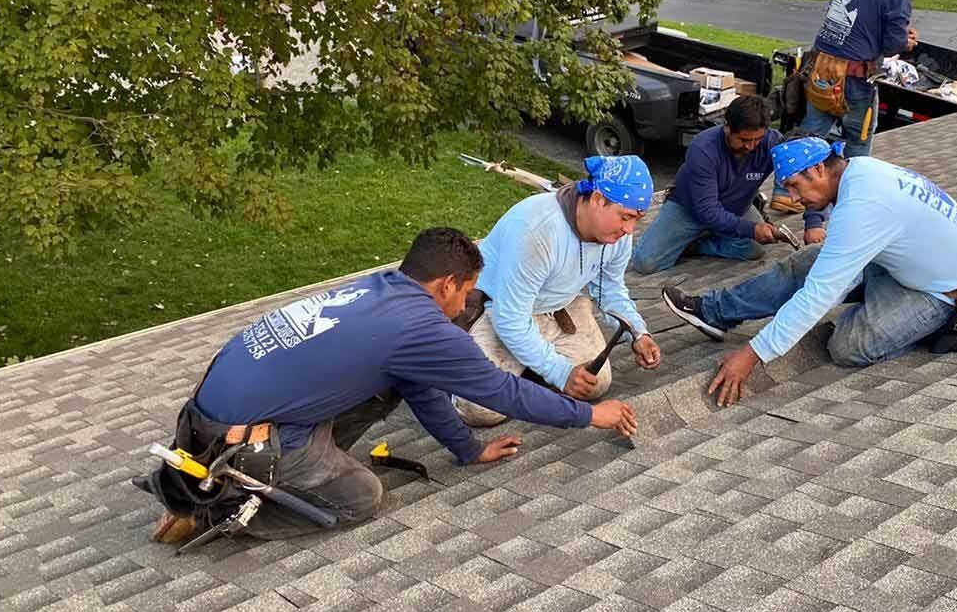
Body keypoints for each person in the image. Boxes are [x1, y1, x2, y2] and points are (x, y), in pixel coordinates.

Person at [146, 227, 638, 544]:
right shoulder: (422, 328)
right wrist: (593, 414)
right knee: (361, 496)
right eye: (466, 292)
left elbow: (418, 385)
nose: (466, 304)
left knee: (389, 385)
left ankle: (268, 469)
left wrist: (467, 449)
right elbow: (503, 392)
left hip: (206, 420)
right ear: (446, 284)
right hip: (246, 442)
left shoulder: (375, 288)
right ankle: (219, 509)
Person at [663, 135, 957, 406]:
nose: (793, 198)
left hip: (947, 292)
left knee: (847, 346)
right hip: (905, 267)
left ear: (820, 170)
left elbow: (820, 294)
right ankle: (713, 311)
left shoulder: (864, 204)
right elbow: (827, 279)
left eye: (794, 186)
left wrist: (753, 354)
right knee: (804, 265)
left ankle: (928, 327)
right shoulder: (859, 171)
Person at [455, 155, 662, 427]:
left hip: (559, 306)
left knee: (594, 383)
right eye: (626, 217)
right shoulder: (537, 231)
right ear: (598, 199)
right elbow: (511, 319)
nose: (629, 229)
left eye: (637, 219)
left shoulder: (618, 234)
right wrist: (560, 372)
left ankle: (526, 369)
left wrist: (637, 332)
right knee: (481, 410)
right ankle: (463, 374)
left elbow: (610, 289)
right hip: (498, 310)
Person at [771, 0, 919, 214]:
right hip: (855, 80)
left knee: (812, 132)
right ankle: (852, 204)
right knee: (859, 144)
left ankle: (784, 192)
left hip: (822, 70)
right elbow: (891, 46)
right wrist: (906, 41)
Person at [630, 96, 827, 275]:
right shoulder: (703, 148)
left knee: (755, 250)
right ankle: (693, 236)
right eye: (743, 140)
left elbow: (809, 171)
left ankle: (698, 245)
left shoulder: (772, 143)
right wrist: (752, 229)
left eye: (757, 140)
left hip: (737, 207)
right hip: (689, 209)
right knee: (645, 263)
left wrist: (814, 224)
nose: (751, 146)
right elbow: (707, 211)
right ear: (727, 127)